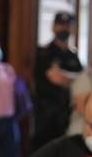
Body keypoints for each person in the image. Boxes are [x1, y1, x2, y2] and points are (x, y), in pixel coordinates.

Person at [31, 11, 83, 149]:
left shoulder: (74, 56)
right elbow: (55, 78)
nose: (64, 29)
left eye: (68, 26)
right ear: (53, 27)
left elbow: (81, 81)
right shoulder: (45, 53)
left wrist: (67, 78)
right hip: (47, 115)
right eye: (60, 25)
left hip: (67, 113)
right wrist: (73, 80)